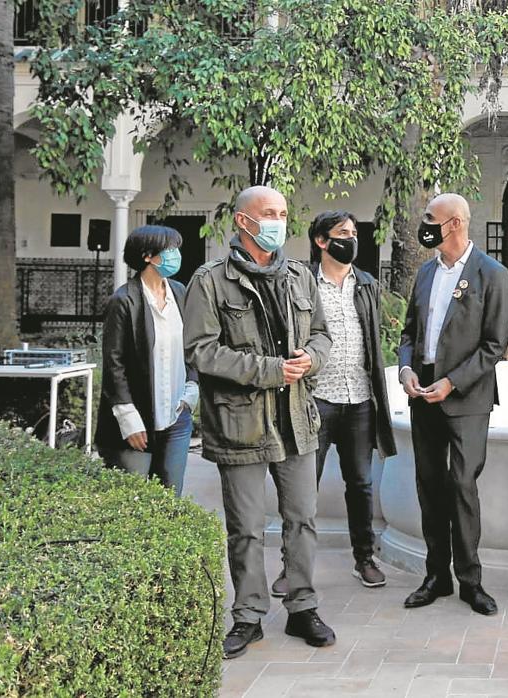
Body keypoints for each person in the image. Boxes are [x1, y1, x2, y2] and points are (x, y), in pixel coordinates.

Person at [183, 185, 335, 659]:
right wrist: (267, 370)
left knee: (301, 521)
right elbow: (201, 350)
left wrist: (310, 358)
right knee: (246, 527)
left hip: (296, 420)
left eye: (283, 213)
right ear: (242, 221)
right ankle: (248, 616)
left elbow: (322, 335)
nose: (278, 221)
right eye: (268, 213)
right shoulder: (210, 281)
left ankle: (302, 607)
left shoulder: (299, 277)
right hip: (241, 424)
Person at [267, 211, 397, 597]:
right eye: (343, 234)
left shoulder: (367, 284)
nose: (352, 240)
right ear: (322, 241)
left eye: (354, 234)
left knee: (360, 484)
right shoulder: (300, 283)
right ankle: (292, 567)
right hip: (313, 401)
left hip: (359, 399)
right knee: (302, 489)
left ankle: (364, 558)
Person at [398, 193, 508, 616]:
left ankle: (471, 580)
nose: (424, 223)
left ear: (455, 224)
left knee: (462, 485)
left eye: (431, 218)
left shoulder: (492, 274)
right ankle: (436, 576)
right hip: (423, 390)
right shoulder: (426, 272)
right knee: (429, 484)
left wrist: (452, 382)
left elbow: (494, 345)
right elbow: (410, 331)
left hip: (466, 395)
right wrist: (406, 370)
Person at [94, 225, 197, 497]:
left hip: (176, 418)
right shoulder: (123, 301)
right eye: (170, 250)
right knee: (133, 501)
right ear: (148, 256)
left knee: (170, 501)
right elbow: (114, 364)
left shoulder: (179, 292)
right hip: (136, 421)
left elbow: (193, 347)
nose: (177, 255)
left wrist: (192, 390)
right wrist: (129, 420)